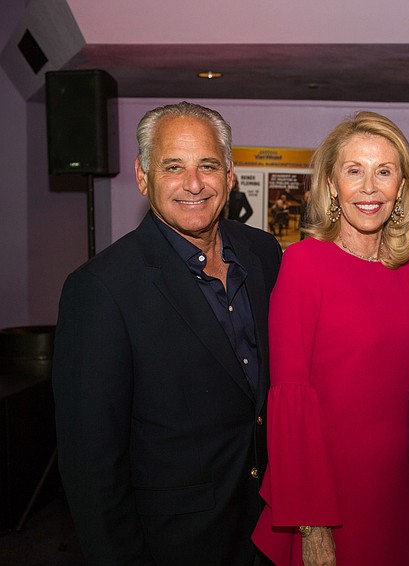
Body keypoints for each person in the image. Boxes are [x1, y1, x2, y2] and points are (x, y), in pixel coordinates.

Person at [52, 101, 282, 565]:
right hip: (173, 544)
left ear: (230, 174)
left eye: (208, 165)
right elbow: (91, 466)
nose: (194, 184)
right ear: (143, 176)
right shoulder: (100, 288)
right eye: (173, 167)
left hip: (268, 531)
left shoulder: (264, 254)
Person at [252, 111, 409, 565]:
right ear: (332, 184)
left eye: (384, 172)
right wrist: (312, 524)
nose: (370, 188)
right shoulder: (303, 265)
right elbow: (290, 396)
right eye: (354, 171)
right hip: (325, 496)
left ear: (402, 187)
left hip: (393, 492)